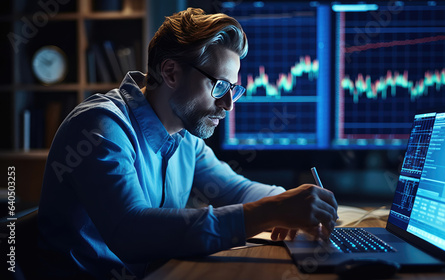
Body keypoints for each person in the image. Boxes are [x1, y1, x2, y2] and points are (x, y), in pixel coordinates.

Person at [37, 7, 338, 279]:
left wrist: (298, 203)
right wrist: (270, 211)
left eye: (234, 88)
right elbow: (131, 232)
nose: (229, 104)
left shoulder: (183, 136)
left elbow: (237, 190)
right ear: (170, 72)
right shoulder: (100, 127)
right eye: (219, 85)